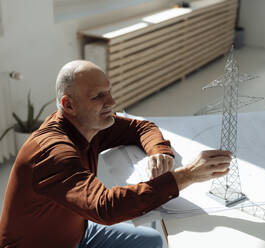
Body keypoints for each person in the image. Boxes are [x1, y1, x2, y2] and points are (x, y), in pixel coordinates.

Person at [0, 60, 232, 248]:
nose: (111, 101)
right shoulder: (53, 153)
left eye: (109, 91)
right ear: (68, 105)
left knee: (152, 241)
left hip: (78, 233)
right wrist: (188, 175)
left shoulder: (87, 123)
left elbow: (141, 127)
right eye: (98, 96)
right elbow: (106, 207)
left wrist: (160, 152)